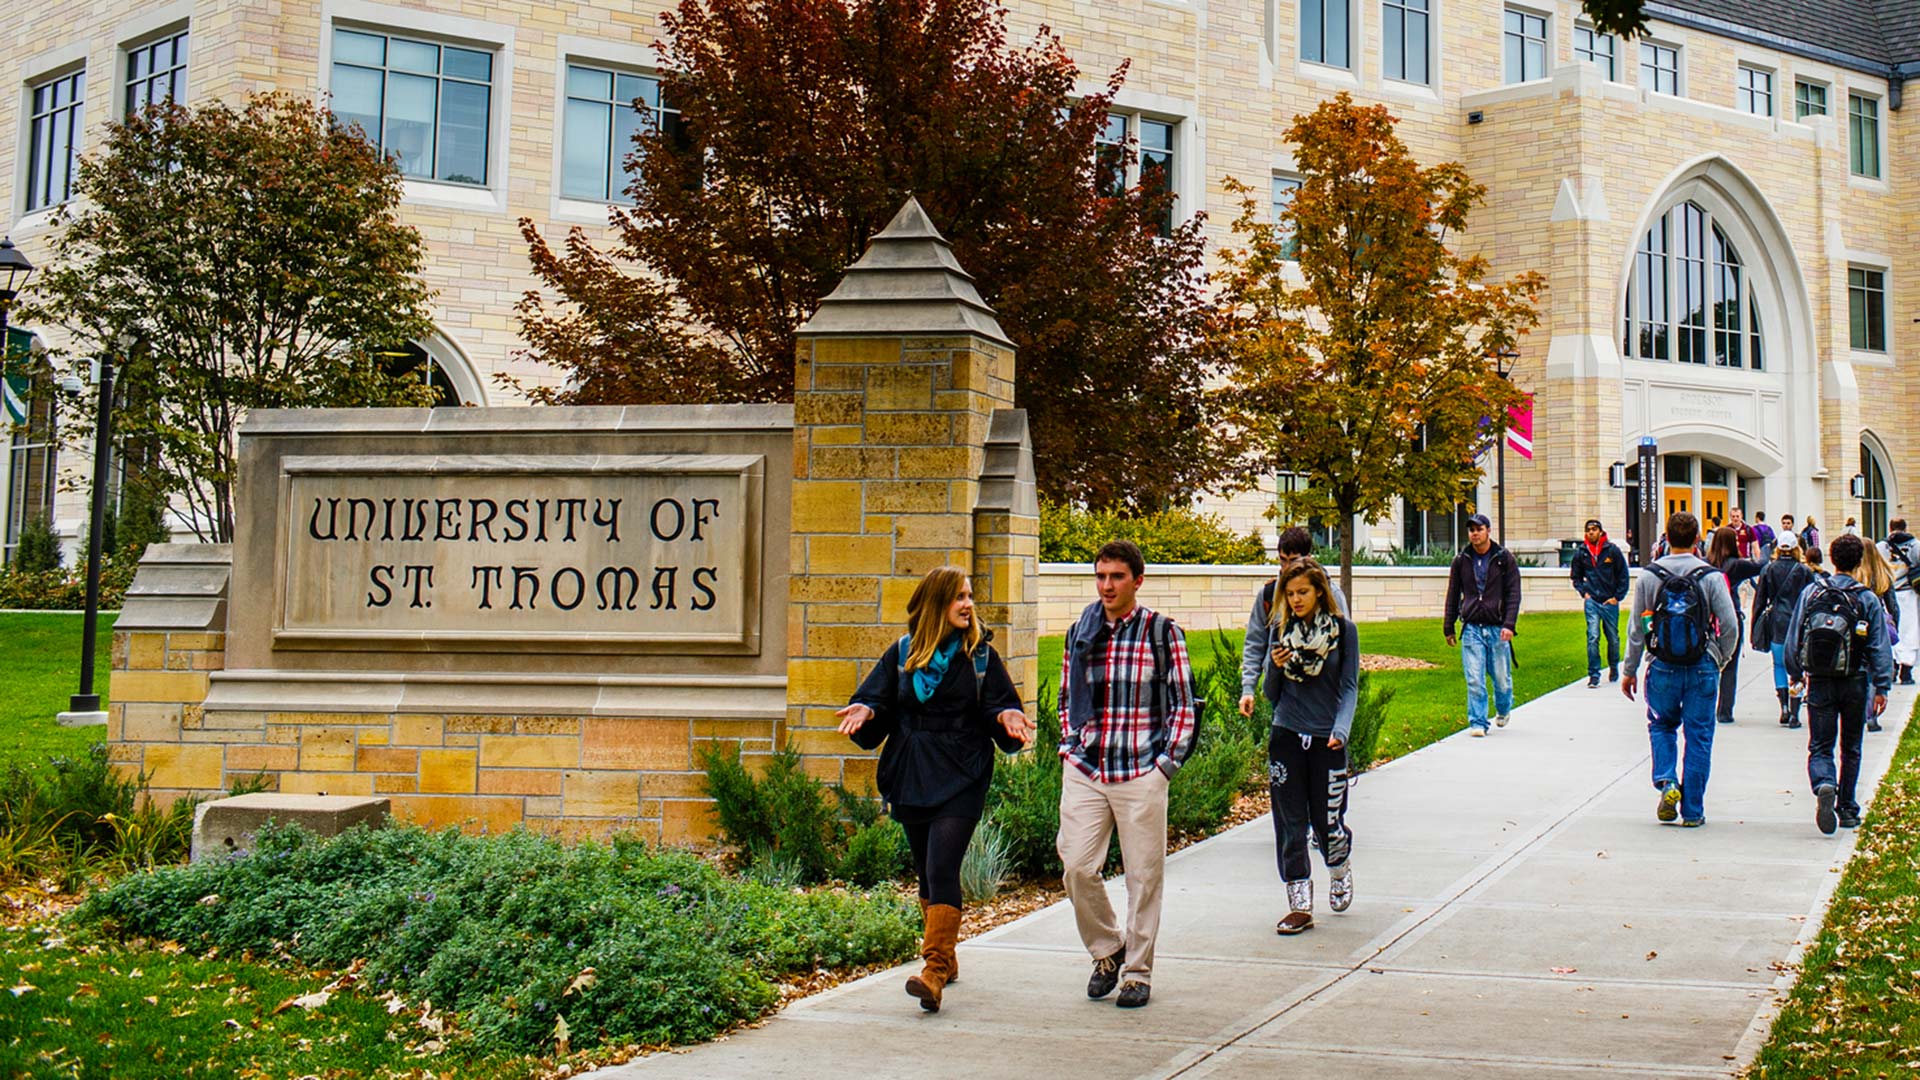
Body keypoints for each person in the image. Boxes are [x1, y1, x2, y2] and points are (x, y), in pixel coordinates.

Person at [838, 565, 1032, 1013]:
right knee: (926, 872)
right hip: (912, 770)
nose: (968, 604)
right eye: (958, 597)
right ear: (935, 604)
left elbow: (1000, 703)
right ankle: (946, 954)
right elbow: (879, 698)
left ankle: (933, 970)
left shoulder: (980, 656)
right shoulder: (904, 653)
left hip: (963, 771)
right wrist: (867, 710)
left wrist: (1005, 717)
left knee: (943, 866)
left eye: (969, 596)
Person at [1057, 539, 1198, 1010]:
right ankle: (1107, 949)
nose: (1107, 586)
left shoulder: (1162, 633)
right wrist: (1070, 745)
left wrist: (1165, 766)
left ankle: (1137, 972)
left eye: (1116, 577)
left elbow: (1182, 705)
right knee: (1077, 866)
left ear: (1137, 580)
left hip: (1141, 769)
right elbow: (1065, 700)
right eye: (1100, 576)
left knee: (1143, 876)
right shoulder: (1081, 631)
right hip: (1089, 767)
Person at [1255, 559, 1358, 935]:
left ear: (1319, 592)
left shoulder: (1344, 632)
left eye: (1302, 592)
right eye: (1290, 593)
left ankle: (1339, 865)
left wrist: (1341, 730)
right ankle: (1299, 906)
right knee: (1290, 824)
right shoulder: (1280, 630)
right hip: (1286, 734)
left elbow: (1348, 687)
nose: (1296, 600)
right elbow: (1271, 695)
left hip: (1326, 737)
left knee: (1326, 823)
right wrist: (1275, 667)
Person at [1621, 512, 1741, 828]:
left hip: (1662, 665)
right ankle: (1692, 811)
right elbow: (1730, 625)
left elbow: (1637, 627)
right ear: (1698, 539)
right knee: (1699, 736)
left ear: (1667, 537)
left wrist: (1630, 668)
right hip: (1702, 664)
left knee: (1661, 726)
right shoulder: (1711, 576)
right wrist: (1719, 658)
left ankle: (1667, 781)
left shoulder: (1649, 576)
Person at [1784, 535, 1892, 834]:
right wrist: (1882, 687)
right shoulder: (1867, 598)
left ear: (1832, 559)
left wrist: (1795, 673)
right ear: (1860, 562)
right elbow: (1879, 647)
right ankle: (1847, 807)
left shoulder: (1812, 593)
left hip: (1819, 679)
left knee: (1820, 744)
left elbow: (1795, 637)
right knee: (1852, 746)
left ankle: (1824, 783)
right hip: (1856, 679)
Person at [1444, 514, 1522, 736]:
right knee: (1474, 677)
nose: (1474, 534)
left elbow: (1514, 593)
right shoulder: (1461, 560)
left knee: (1501, 679)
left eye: (1479, 529)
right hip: (1472, 627)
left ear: (1488, 531)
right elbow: (1452, 594)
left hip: (1498, 627)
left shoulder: (1503, 558)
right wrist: (1448, 626)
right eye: (1471, 530)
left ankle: (1503, 708)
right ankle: (1478, 722)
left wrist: (1509, 624)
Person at [1752, 534, 1817, 728]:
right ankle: (1795, 713)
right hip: (1799, 623)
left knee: (1778, 665)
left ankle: (1784, 707)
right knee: (1797, 669)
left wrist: (1755, 625)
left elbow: (1759, 601)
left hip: (1777, 622)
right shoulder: (1804, 571)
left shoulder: (1768, 570)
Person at [1704, 526, 1765, 724]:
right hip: (1730, 615)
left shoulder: (1706, 564)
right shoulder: (1737, 565)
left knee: (1707, 663)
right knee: (1730, 664)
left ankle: (1706, 705)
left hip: (1709, 618)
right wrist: (1766, 548)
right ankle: (1724, 710)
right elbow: (1761, 565)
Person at [1570, 518, 1630, 688]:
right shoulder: (1581, 553)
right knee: (1593, 636)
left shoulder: (1612, 551)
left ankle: (1613, 666)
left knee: (1613, 638)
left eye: (1594, 529)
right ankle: (1594, 674)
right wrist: (1584, 593)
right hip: (1592, 601)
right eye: (1588, 530)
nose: (1591, 532)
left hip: (1609, 601)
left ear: (1601, 532)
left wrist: (1617, 597)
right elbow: (1575, 576)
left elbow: (1623, 575)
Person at [1856, 540, 1901, 733]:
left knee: (1861, 669)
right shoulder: (1883, 576)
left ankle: (1860, 710)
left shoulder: (1855, 575)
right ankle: (1872, 714)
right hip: (1879, 625)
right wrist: (1893, 626)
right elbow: (1893, 606)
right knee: (1876, 669)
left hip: (1858, 626)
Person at [1883, 519, 1920, 686]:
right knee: (1910, 631)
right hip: (1909, 592)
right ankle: (1906, 670)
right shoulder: (1915, 545)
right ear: (1905, 528)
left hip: (1887, 593)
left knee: (1890, 630)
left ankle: (1893, 665)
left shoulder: (1882, 547)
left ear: (1890, 528)